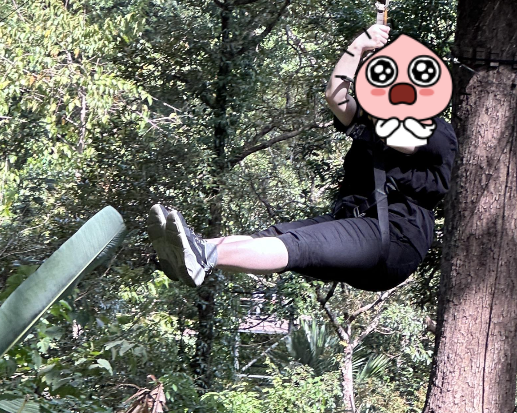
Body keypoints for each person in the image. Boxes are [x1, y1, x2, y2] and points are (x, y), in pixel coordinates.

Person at [147, 26, 457, 293]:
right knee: (274, 237)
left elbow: (399, 137)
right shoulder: (375, 121)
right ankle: (188, 251)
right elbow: (336, 97)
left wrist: (374, 91)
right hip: (356, 223)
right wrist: (357, 46)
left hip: (396, 237)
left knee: (298, 246)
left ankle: (202, 255)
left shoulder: (438, 132)